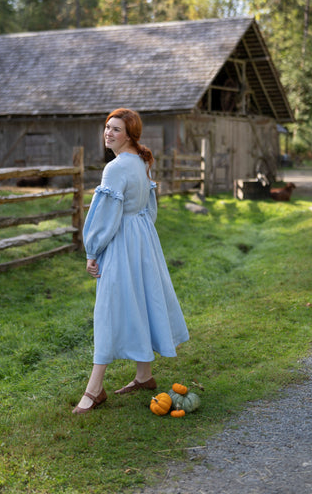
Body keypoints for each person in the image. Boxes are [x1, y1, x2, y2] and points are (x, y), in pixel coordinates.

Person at [72, 108, 189, 414]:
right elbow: (150, 208)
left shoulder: (116, 168)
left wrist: (92, 251)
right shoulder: (140, 161)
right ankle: (144, 376)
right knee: (140, 300)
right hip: (142, 240)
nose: (108, 133)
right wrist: (141, 232)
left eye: (116, 130)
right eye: (107, 128)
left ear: (130, 135)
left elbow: (105, 217)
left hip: (123, 241)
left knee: (109, 310)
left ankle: (95, 389)